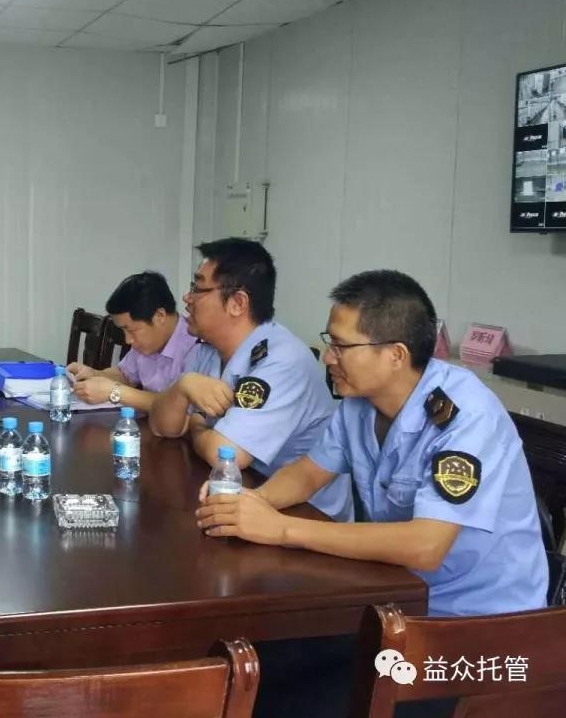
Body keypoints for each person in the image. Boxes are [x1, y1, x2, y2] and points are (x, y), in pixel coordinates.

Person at [196, 269, 548, 616]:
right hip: (394, 592)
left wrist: (282, 528)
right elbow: (307, 474)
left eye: (341, 346)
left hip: (476, 619)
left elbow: (426, 546)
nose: (328, 356)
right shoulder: (360, 403)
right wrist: (250, 503)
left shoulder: (466, 417)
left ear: (396, 355)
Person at [151, 238, 352, 521]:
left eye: (198, 288)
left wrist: (194, 426)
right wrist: (183, 385)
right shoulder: (206, 350)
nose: (187, 297)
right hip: (245, 492)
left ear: (237, 303)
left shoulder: (281, 361)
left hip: (305, 514)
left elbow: (226, 455)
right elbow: (163, 427)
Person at [68, 271, 197, 413]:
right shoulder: (146, 344)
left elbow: (176, 406)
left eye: (131, 330)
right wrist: (95, 374)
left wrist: (114, 392)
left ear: (160, 316)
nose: (128, 340)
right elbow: (125, 375)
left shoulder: (195, 346)